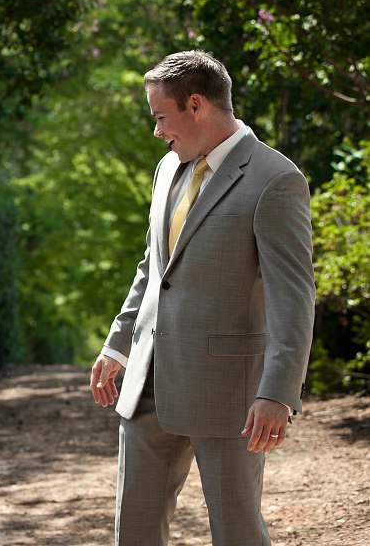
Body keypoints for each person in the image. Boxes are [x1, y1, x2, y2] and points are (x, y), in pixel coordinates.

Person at [89, 50, 314, 546]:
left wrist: (278, 391)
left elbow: (293, 299)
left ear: (196, 105)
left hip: (229, 396)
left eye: (160, 116)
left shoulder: (275, 180)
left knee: (236, 532)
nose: (156, 131)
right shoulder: (167, 169)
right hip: (148, 381)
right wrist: (118, 342)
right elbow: (153, 267)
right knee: (135, 532)